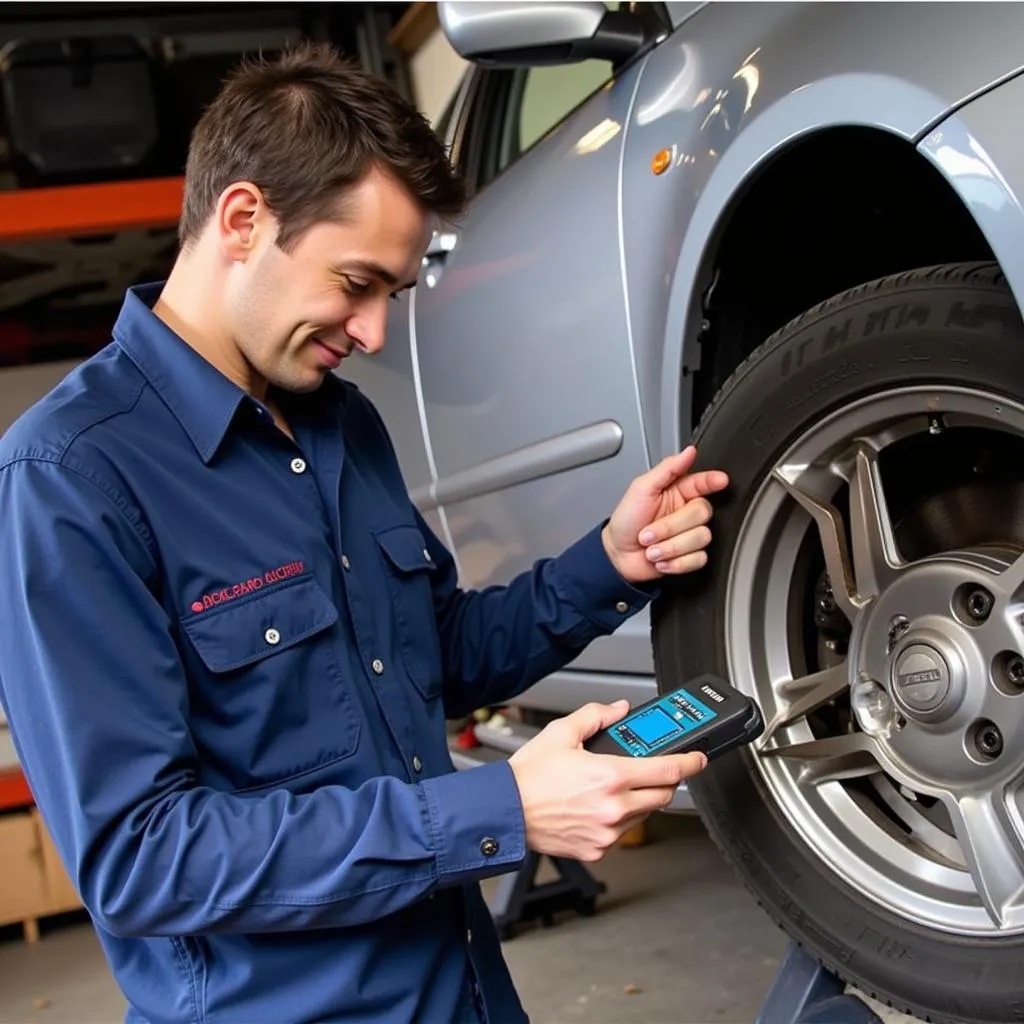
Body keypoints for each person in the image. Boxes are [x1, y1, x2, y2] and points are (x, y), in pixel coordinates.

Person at [0, 42, 729, 1024]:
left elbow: (436, 655)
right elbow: (142, 856)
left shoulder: (340, 424)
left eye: (394, 291)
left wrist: (607, 563)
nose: (377, 330)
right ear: (244, 220)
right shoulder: (69, 480)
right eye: (356, 282)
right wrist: (497, 810)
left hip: (465, 988)